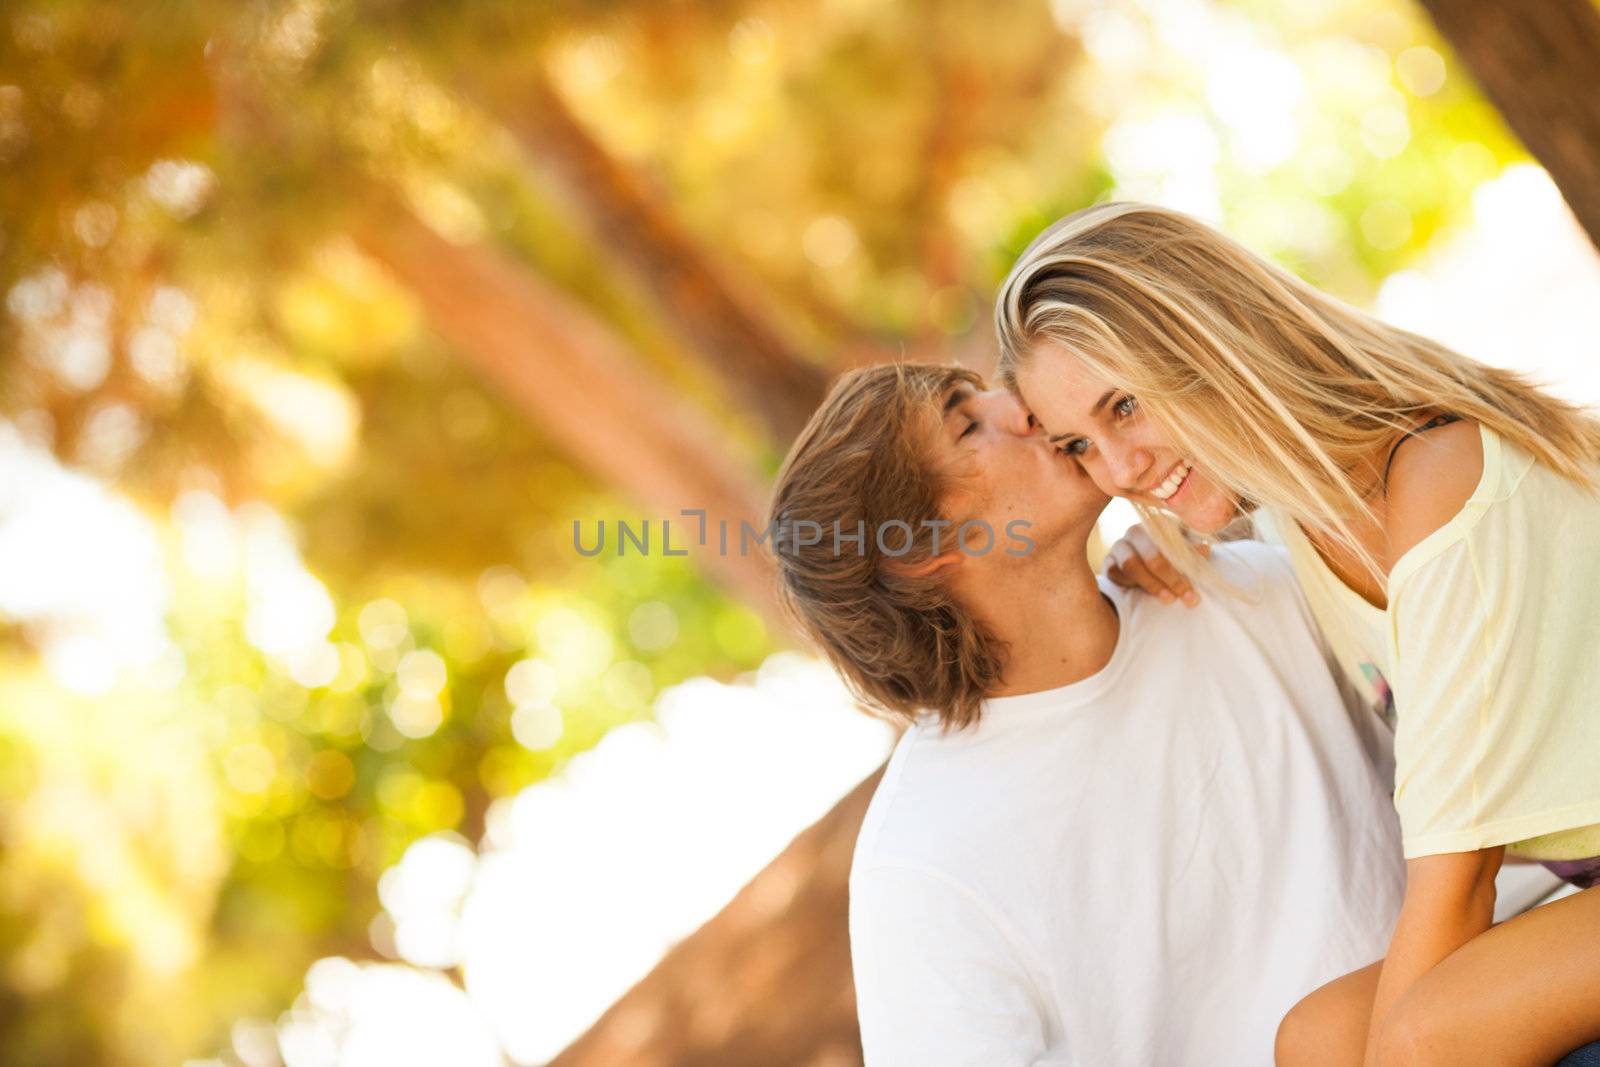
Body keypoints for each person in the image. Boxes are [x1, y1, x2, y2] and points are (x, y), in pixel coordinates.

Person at [994, 200, 1600, 1066]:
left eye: (1124, 406)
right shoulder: (1305, 509)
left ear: (1214, 340)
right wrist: (1154, 540)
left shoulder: (1438, 481)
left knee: (1425, 1037)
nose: (1121, 472)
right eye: (1079, 444)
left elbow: (1459, 879)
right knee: (1313, 1037)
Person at [766, 361, 1406, 1066]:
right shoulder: (921, 868)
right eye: (967, 424)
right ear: (924, 548)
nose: (1023, 406)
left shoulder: (1229, 586)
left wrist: (1221, 522)